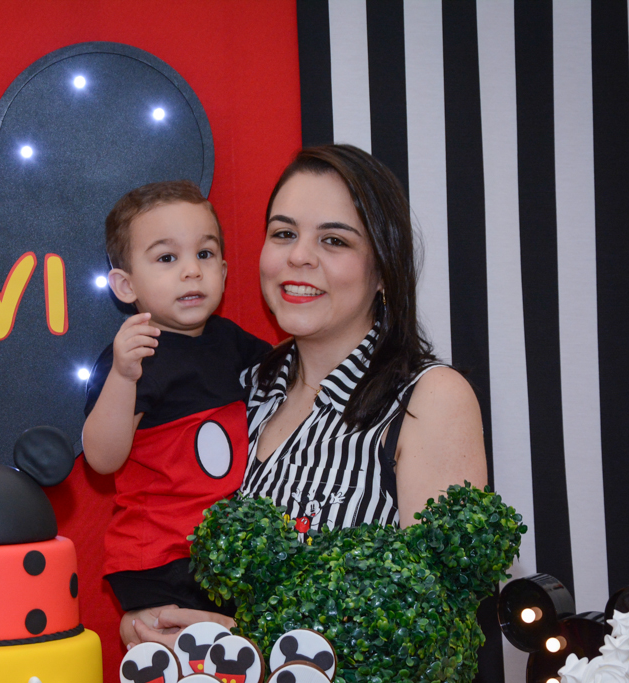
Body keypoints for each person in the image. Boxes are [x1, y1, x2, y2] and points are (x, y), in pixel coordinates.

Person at [131, 144, 486, 641]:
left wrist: (244, 644)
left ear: (383, 270)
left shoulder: (429, 399)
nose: (298, 256)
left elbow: (437, 629)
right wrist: (148, 620)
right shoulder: (242, 387)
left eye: (334, 240)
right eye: (284, 233)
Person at [81, 180, 270, 649]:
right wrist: (123, 377)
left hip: (223, 550)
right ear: (126, 285)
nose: (191, 271)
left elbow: (291, 378)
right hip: (160, 556)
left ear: (223, 270)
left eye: (205, 254)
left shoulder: (231, 342)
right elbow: (102, 458)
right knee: (191, 654)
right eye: (167, 258)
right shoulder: (134, 355)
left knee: (235, 647)